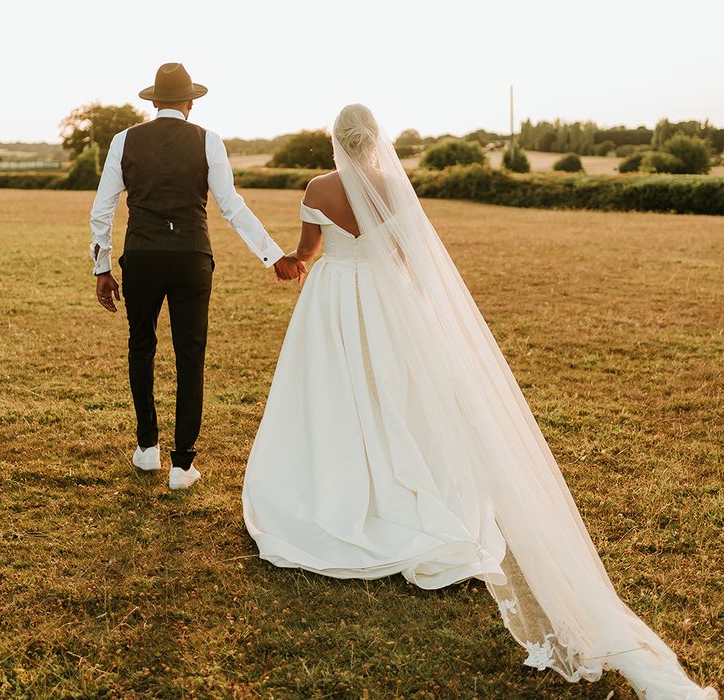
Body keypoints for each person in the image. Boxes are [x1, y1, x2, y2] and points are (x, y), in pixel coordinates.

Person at [242, 104, 718, 698]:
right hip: (388, 310)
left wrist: (291, 265)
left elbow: (309, 249)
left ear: (334, 142)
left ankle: (341, 495)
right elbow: (412, 263)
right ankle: (406, 494)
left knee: (333, 399)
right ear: (376, 141)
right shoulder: (396, 188)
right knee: (395, 400)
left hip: (333, 302)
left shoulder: (317, 187)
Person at [89, 62, 304, 490]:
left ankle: (147, 447)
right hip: (191, 256)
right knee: (191, 355)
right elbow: (231, 206)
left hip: (143, 256)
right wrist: (274, 255)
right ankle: (182, 465)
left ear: (153, 103)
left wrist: (102, 267)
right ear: (190, 102)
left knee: (141, 346)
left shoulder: (123, 140)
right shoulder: (209, 140)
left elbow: (103, 209)